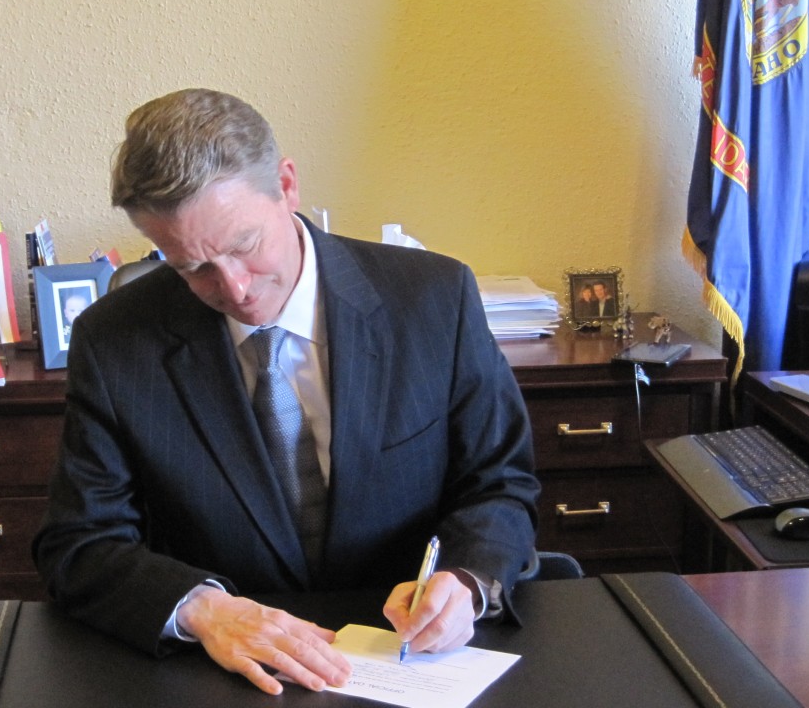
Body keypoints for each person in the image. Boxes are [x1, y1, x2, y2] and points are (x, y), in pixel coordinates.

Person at [33, 89, 539, 695]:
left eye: (244, 245)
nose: (236, 287)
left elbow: (500, 481)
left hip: (412, 663)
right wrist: (202, 609)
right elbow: (79, 543)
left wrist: (468, 576)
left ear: (288, 185)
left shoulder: (433, 300)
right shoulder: (115, 342)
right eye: (192, 267)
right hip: (227, 671)